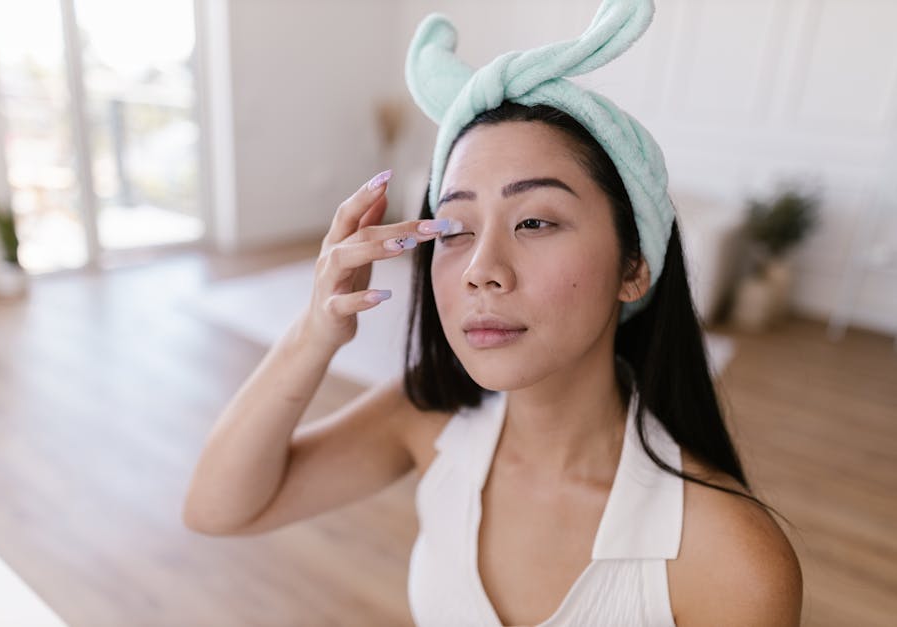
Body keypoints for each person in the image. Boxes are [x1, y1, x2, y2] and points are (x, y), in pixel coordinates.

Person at [183, 1, 802, 625]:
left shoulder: (733, 561)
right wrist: (314, 334)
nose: (481, 269)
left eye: (534, 222)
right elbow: (217, 508)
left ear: (633, 267)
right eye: (454, 229)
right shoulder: (429, 418)